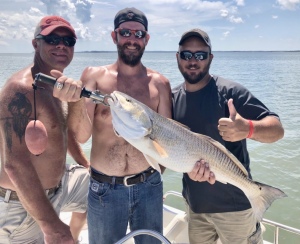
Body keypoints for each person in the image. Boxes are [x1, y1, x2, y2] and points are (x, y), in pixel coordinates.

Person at [172, 28, 284, 244]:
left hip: (236, 210)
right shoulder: (172, 98)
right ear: (178, 58)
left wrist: (248, 129)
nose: (193, 61)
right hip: (195, 209)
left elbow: (277, 130)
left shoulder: (230, 93)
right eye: (186, 54)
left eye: (200, 55)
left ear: (210, 58)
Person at [0, 16, 90, 243]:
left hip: (59, 187)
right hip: (22, 203)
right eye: (52, 39)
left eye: (68, 41)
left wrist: (85, 165)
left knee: (105, 185)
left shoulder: (54, 85)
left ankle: (75, 237)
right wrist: (52, 226)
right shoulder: (21, 89)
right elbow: (14, 163)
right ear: (35, 44)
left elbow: (66, 133)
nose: (62, 45)